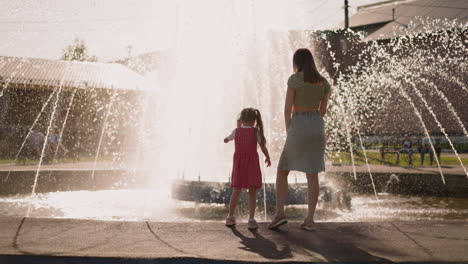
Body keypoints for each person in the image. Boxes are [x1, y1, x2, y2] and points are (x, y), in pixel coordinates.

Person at [268, 48, 331, 231]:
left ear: (297, 62)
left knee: (282, 170)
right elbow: (323, 111)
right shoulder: (323, 82)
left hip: (299, 125)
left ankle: (280, 214)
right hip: (317, 126)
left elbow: (287, 109)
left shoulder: (295, 79)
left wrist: (290, 130)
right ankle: (310, 219)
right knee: (312, 174)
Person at [223, 108, 271, 230]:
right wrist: (267, 157)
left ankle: (230, 217)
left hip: (239, 164)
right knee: (252, 190)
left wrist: (228, 138)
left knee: (236, 190)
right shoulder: (256, 132)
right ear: (254, 121)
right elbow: (263, 147)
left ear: (242, 119)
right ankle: (251, 219)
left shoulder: (236, 131)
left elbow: (227, 139)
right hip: (252, 164)